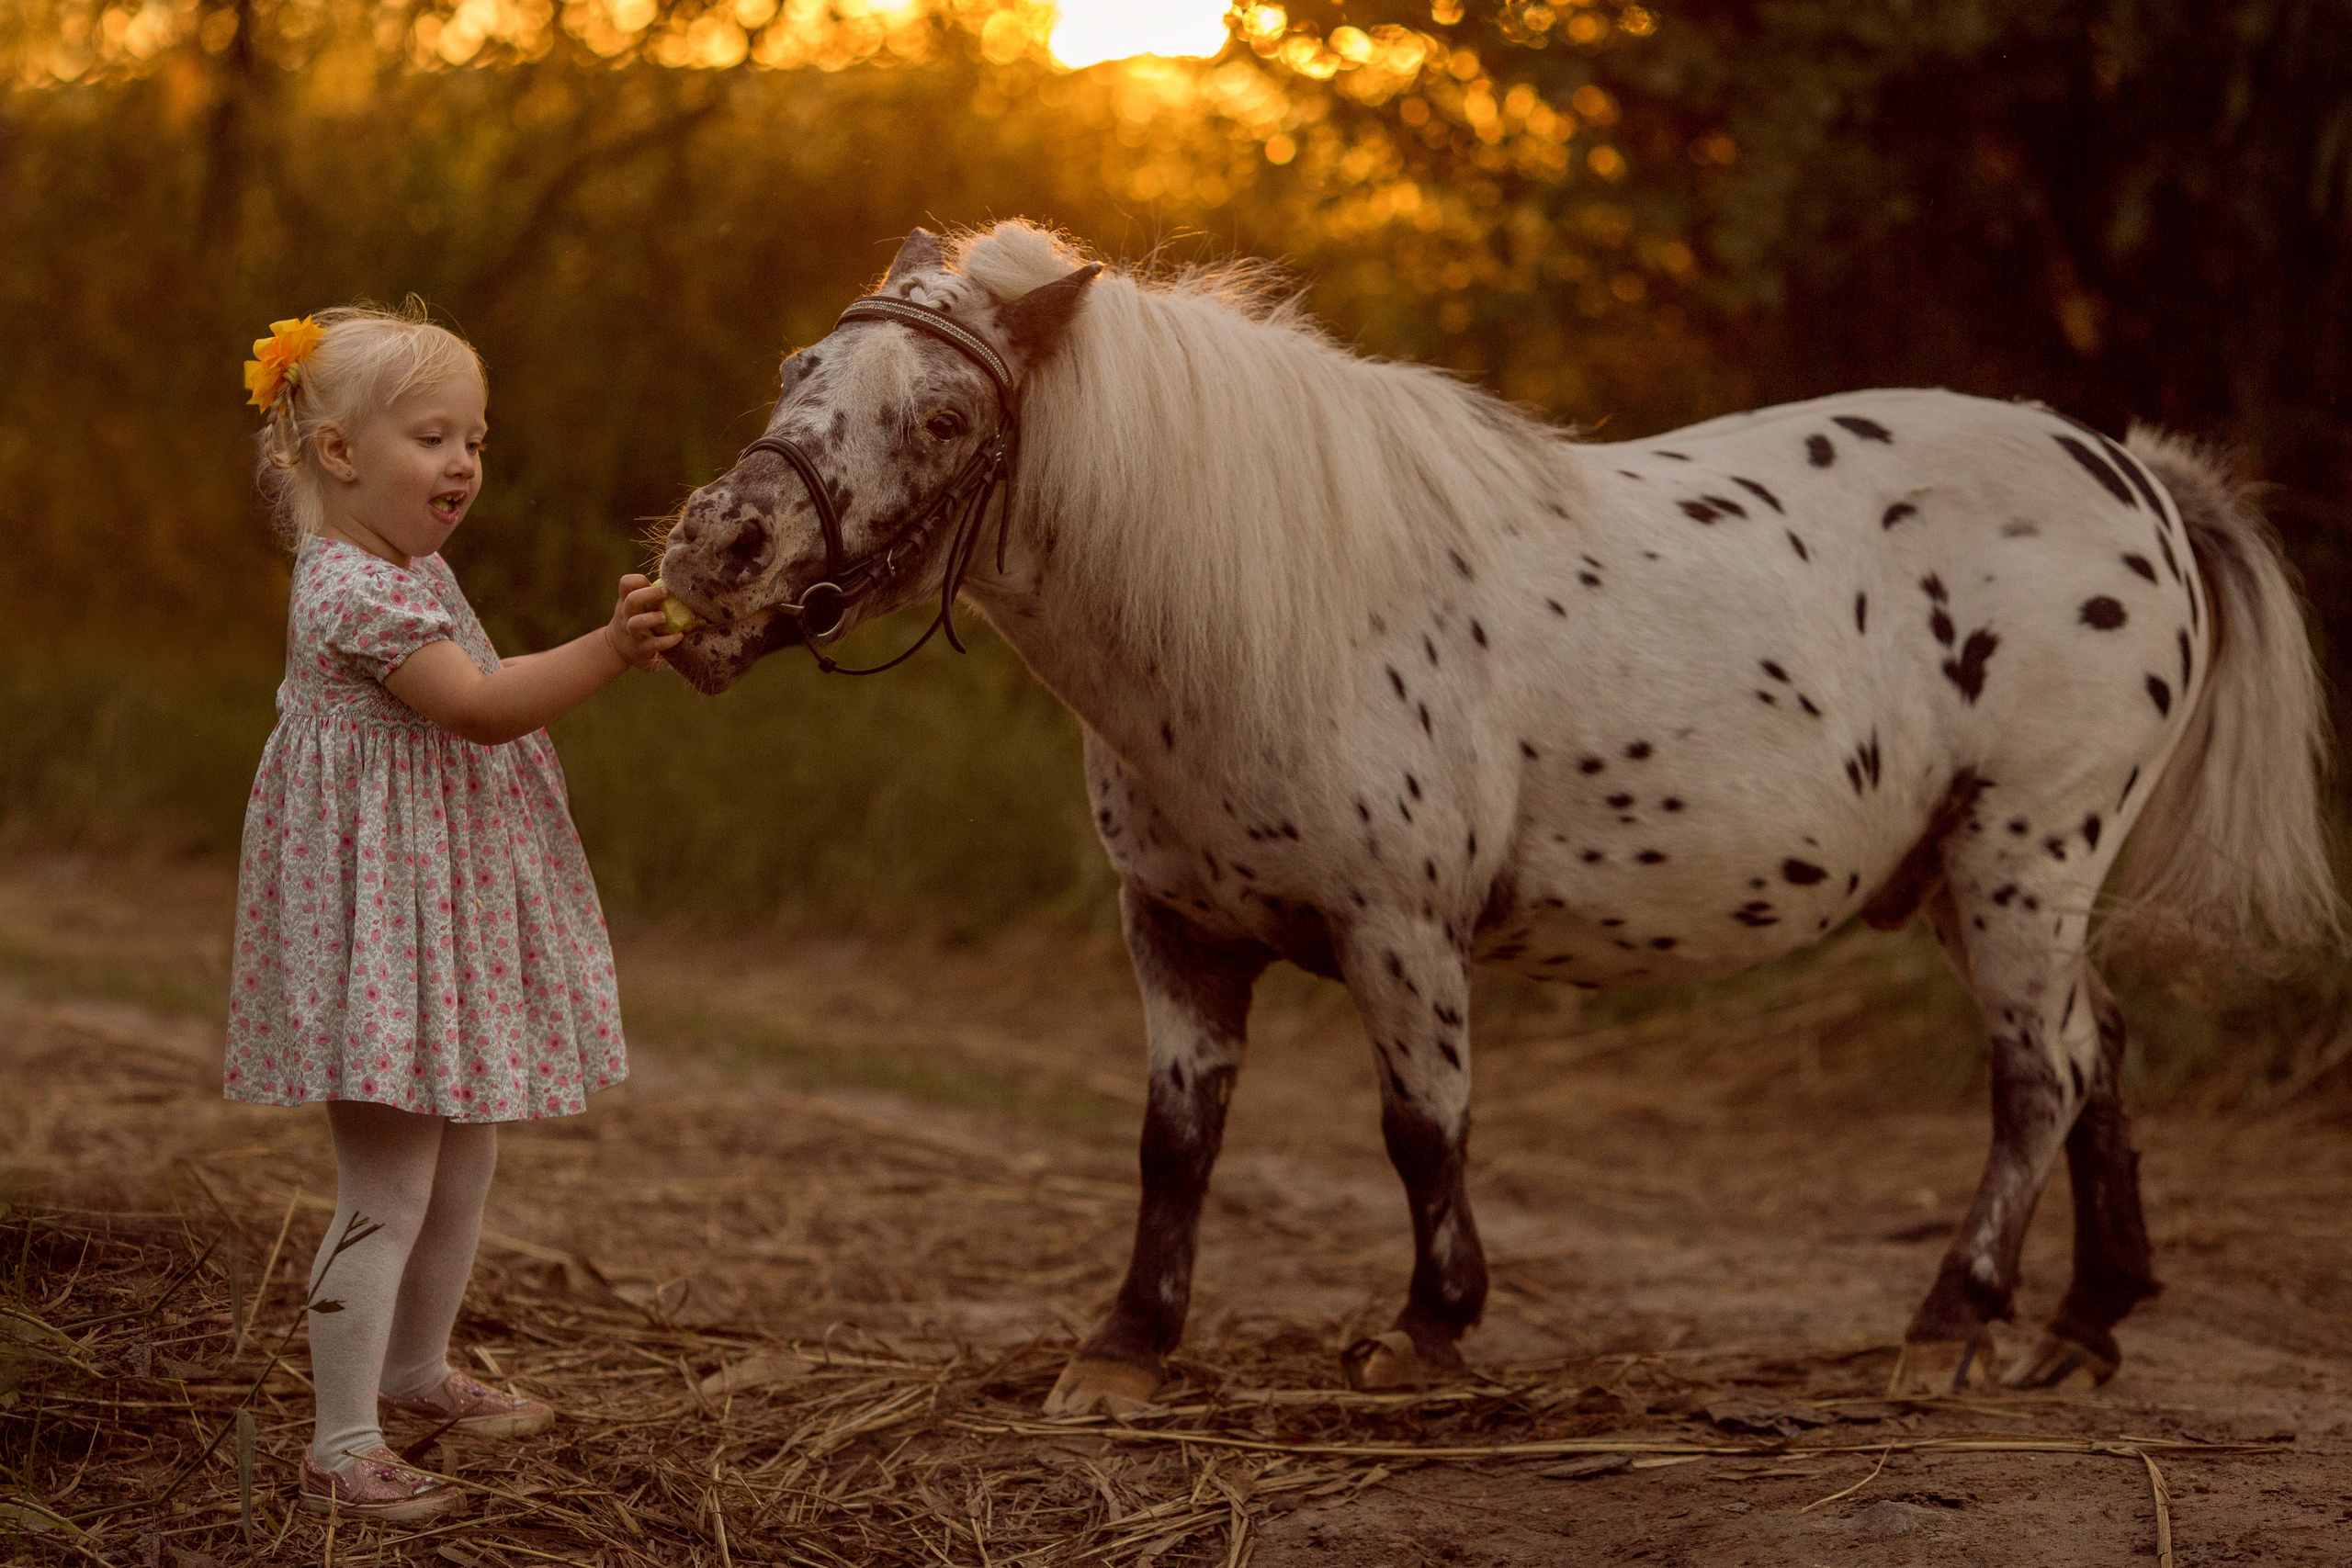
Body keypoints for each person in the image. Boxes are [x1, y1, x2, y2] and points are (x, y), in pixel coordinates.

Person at [224, 304, 681, 1521]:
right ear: (338, 453)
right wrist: (611, 647)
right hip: (378, 935)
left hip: (433, 920)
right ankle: (340, 1440)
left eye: (476, 437)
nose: (466, 463)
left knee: (462, 1159)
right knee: (386, 1188)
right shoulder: (348, 592)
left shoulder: (410, 566)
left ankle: (417, 1371)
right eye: (434, 437)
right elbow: (478, 707)